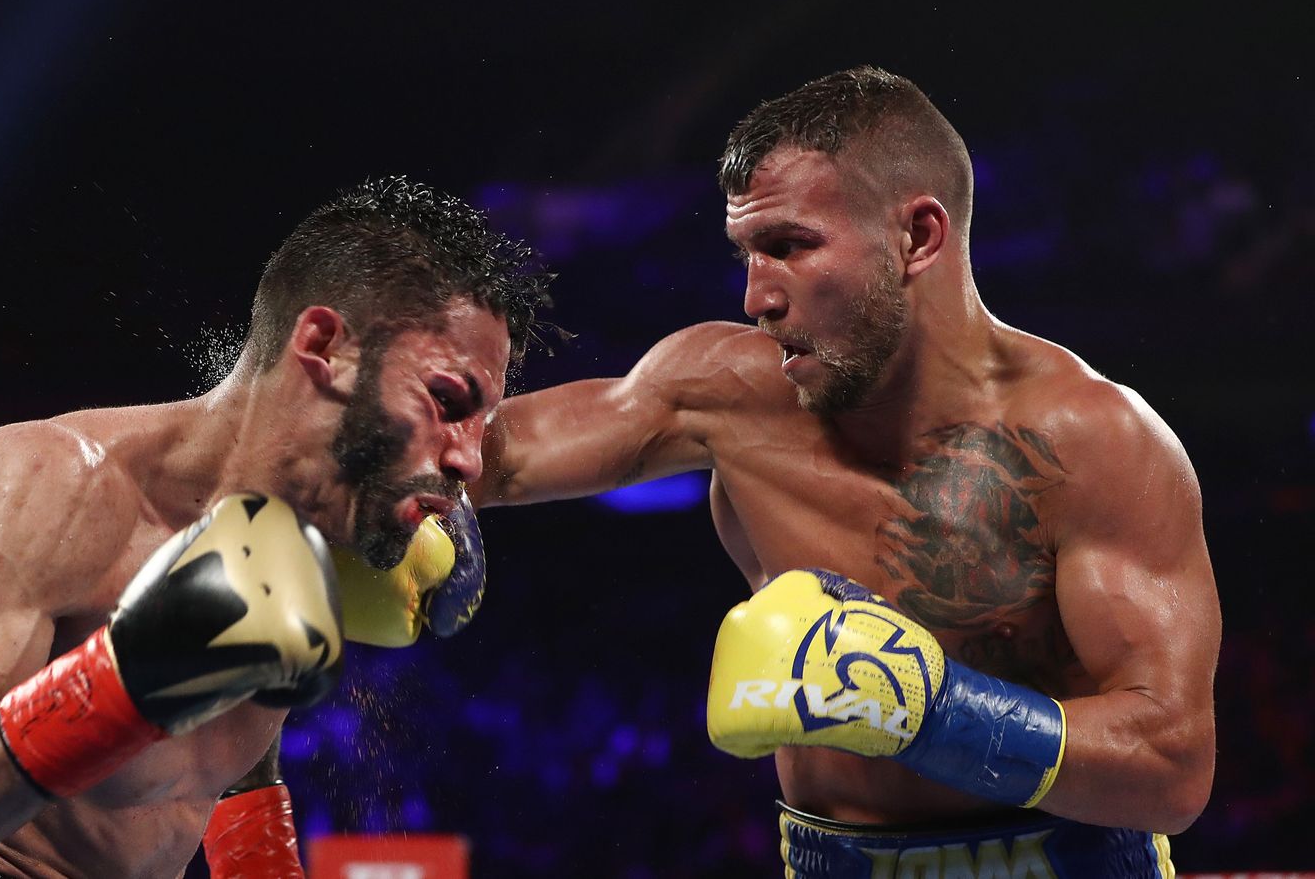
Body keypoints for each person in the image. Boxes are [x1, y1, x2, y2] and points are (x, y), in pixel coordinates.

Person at [477, 66, 1218, 876]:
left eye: (790, 246)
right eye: (747, 253)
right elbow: (486, 459)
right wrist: (365, 473)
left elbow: (1173, 769)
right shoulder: (723, 391)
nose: (757, 297)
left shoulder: (1093, 440)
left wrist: (932, 717)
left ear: (918, 237)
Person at [0, 176, 552, 879]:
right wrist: (133, 676)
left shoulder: (287, 547)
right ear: (325, 345)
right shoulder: (43, 479)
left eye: (482, 424)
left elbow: (219, 776)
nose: (466, 457)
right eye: (446, 398)